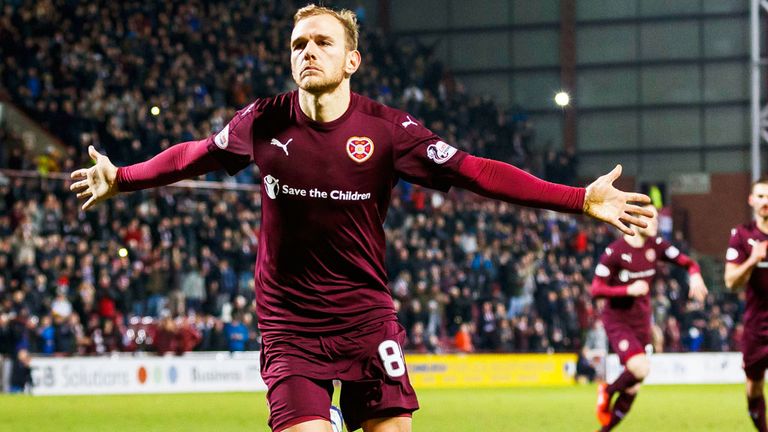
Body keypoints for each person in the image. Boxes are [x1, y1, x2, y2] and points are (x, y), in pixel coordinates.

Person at [70, 5, 652, 432]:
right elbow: (194, 155)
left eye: (322, 42)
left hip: (366, 317)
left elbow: (476, 172)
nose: (307, 53)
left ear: (351, 59)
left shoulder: (388, 132)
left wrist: (578, 199)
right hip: (290, 323)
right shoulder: (264, 121)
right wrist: (123, 177)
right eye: (298, 45)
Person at [592, 204, 707, 431]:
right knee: (640, 368)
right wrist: (627, 290)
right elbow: (596, 290)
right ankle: (606, 390)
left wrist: (695, 275)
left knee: (633, 387)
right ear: (635, 220)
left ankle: (603, 430)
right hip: (618, 320)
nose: (657, 224)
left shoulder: (656, 245)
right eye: (652, 219)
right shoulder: (614, 252)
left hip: (642, 321)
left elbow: (688, 262)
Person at [725, 176, 768, 432]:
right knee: (753, 387)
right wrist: (753, 260)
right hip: (756, 326)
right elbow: (731, 282)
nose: (766, 202)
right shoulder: (742, 235)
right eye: (761, 196)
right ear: (752, 200)